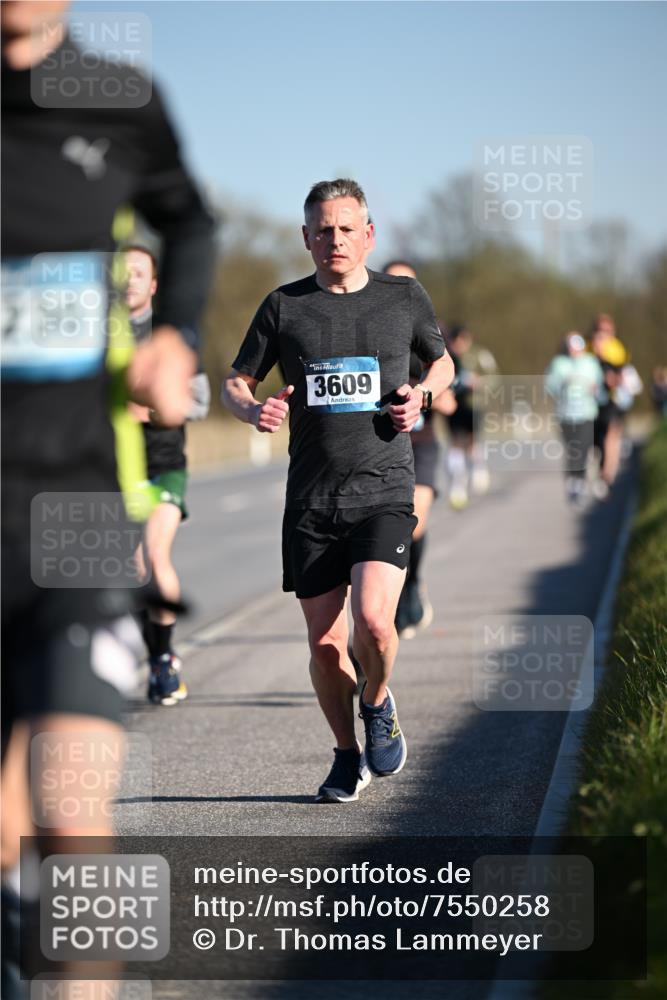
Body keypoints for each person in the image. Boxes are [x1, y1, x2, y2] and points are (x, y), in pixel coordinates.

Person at [1, 2, 215, 992]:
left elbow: (190, 218)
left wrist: (176, 332)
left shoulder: (116, 99)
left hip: (78, 505)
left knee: (73, 809)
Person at [222, 179, 454, 803]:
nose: (336, 239)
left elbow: (443, 363)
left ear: (368, 234)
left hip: (384, 488)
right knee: (326, 647)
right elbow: (236, 381)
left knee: (374, 623)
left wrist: (422, 394)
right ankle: (347, 755)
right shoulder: (283, 306)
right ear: (306, 238)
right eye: (323, 230)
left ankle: (376, 702)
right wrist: (253, 411)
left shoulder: (403, 297)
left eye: (347, 228)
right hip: (312, 500)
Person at [123, 245, 211, 705]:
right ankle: (153, 653)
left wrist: (151, 409)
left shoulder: (171, 335)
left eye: (138, 273)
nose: (128, 281)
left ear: (154, 284)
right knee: (125, 570)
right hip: (112, 471)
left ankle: (162, 661)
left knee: (151, 557)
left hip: (162, 466)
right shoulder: (94, 334)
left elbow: (198, 401)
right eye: (120, 273)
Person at [382, 262, 456, 637]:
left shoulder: (429, 335)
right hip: (383, 444)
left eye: (407, 282)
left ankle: (412, 584)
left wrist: (426, 396)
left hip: (422, 444)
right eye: (393, 281)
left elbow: (450, 401)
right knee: (389, 528)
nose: (401, 288)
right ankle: (395, 599)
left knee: (414, 520)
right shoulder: (370, 331)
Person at [544, 332, 603, 506]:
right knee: (572, 449)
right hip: (565, 414)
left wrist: (594, 389)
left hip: (586, 413)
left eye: (577, 348)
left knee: (582, 448)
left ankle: (580, 482)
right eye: (571, 347)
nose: (574, 351)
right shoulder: (558, 363)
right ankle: (572, 480)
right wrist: (562, 384)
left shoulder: (591, 363)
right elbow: (549, 386)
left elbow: (599, 386)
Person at [445, 324, 499, 509]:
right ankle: (457, 484)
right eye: (455, 342)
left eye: (462, 341)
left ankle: (478, 467)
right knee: (455, 443)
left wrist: (479, 382)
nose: (459, 345)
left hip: (475, 406)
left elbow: (494, 377)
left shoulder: (480, 355)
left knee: (472, 441)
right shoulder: (447, 356)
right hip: (454, 406)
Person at [588, 313, 642, 497]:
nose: (603, 334)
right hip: (591, 404)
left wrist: (614, 379)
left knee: (611, 437)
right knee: (597, 442)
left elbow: (624, 375)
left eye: (607, 331)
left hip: (613, 402)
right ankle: (601, 470)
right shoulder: (587, 349)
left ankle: (607, 478)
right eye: (600, 330)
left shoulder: (619, 350)